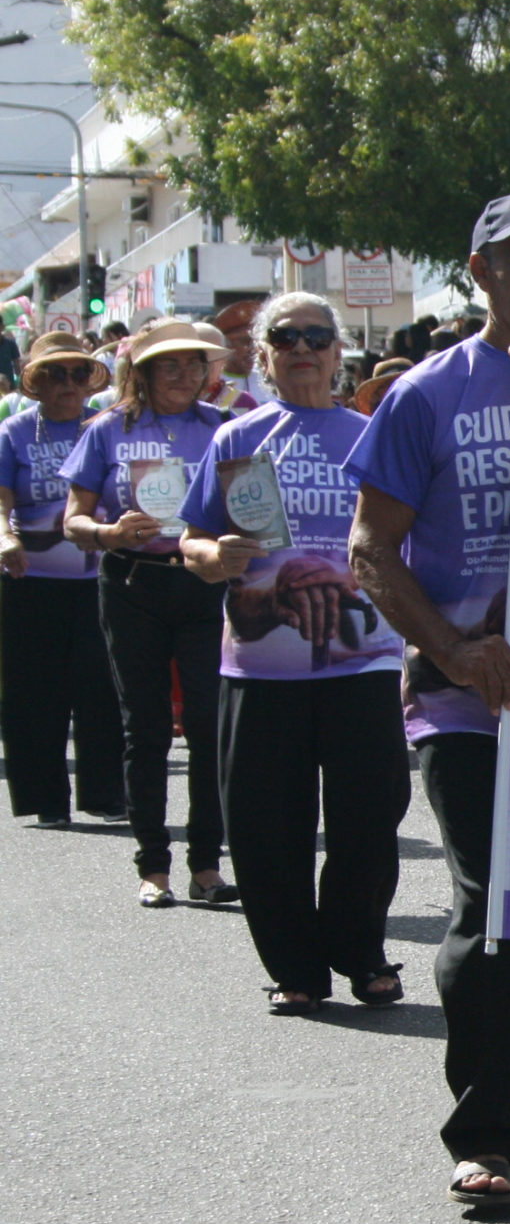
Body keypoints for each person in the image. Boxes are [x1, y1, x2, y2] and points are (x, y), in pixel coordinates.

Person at [345, 188, 510, 1211]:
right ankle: (486, 1130)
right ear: (480, 272)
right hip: (469, 700)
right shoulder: (428, 393)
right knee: (494, 902)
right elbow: (372, 550)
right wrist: (454, 650)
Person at [177, 293, 409, 1015]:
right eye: (287, 336)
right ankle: (296, 967)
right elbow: (190, 542)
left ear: (340, 354)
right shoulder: (237, 440)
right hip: (260, 667)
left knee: (370, 816)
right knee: (265, 825)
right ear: (264, 353)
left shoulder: (375, 436)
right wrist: (214, 554)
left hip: (364, 659)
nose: (303, 347)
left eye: (318, 336)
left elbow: (417, 538)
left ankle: (360, 949)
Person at [62, 318, 236, 910]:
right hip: (132, 583)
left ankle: (207, 864)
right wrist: (108, 532)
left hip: (204, 586)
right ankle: (153, 865)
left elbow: (250, 506)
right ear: (143, 370)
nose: (185, 375)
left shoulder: (225, 429)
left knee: (212, 726)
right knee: (147, 728)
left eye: (195, 364)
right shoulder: (107, 430)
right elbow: (73, 520)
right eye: (170, 364)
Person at [0, 332, 125, 829]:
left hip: (100, 577)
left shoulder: (106, 428)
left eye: (77, 373)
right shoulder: (12, 432)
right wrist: (4, 539)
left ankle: (105, 793)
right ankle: (45, 797)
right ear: (34, 382)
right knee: (34, 690)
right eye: (54, 373)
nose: (67, 384)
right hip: (29, 579)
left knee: (103, 685)